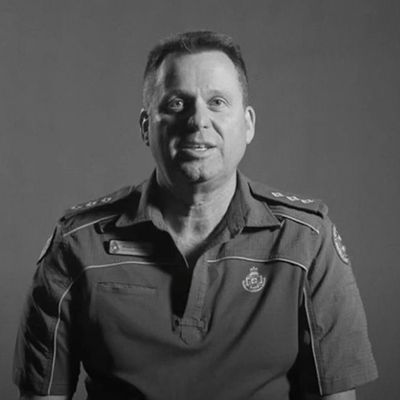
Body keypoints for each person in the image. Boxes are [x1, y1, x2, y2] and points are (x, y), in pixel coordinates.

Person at [13, 31, 378, 400]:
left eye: (217, 101)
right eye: (175, 104)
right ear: (145, 128)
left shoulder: (307, 242)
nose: (197, 120)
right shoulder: (77, 244)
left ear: (248, 124)